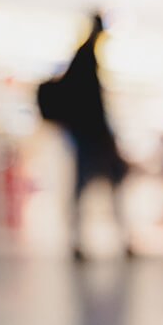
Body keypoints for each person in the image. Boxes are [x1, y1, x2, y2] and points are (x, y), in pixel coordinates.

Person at [39, 13, 131, 259]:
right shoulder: (87, 57)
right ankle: (89, 242)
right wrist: (107, 136)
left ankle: (84, 242)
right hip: (93, 136)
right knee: (105, 186)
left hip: (88, 135)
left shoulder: (83, 56)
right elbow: (94, 105)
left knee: (90, 187)